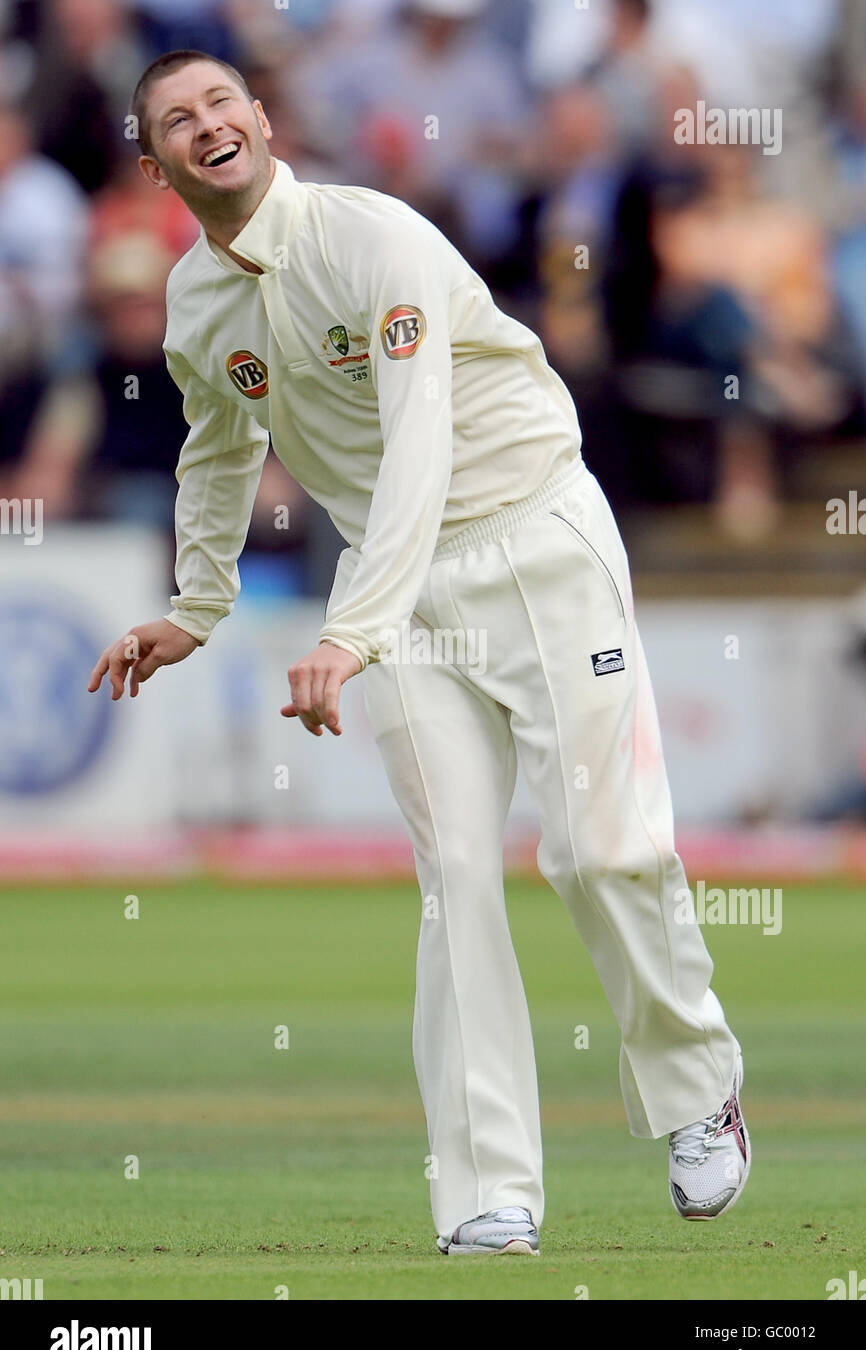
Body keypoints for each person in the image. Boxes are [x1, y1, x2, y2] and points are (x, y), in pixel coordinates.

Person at [88, 50, 750, 1255]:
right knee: (454, 879)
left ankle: (694, 1089)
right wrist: (197, 603)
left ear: (262, 118)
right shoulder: (195, 302)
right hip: (397, 595)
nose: (207, 126)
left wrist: (349, 630)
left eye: (221, 103)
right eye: (178, 120)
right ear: (157, 164)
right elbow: (221, 444)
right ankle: (488, 1193)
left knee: (601, 850)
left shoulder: (371, 238)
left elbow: (420, 441)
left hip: (533, 535)